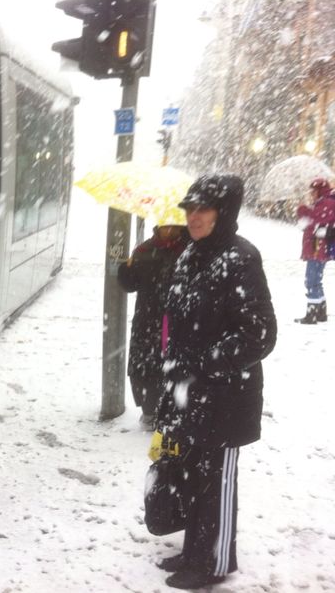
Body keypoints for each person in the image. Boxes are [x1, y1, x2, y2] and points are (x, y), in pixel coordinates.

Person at [155, 175, 277, 590]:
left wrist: (206, 363)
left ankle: (215, 561)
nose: (193, 217)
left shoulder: (240, 258)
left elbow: (260, 334)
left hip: (226, 395)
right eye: (190, 209)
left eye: (203, 209)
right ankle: (195, 550)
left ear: (223, 213)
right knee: (194, 475)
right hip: (192, 390)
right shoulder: (192, 254)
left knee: (218, 481)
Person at [117, 224, 189, 429]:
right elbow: (130, 285)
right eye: (164, 226)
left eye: (172, 226)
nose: (168, 230)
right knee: (146, 366)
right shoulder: (144, 250)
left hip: (180, 319)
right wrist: (126, 270)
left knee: (177, 365)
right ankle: (149, 411)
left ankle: (176, 410)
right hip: (148, 320)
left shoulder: (191, 249)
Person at [294, 177, 335, 324]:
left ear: (320, 190)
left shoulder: (327, 203)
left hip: (318, 248)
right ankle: (321, 312)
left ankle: (312, 315)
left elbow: (316, 221)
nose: (311, 193)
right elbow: (311, 224)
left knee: (311, 281)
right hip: (316, 247)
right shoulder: (322, 203)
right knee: (316, 280)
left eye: (313, 191)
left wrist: (302, 209)